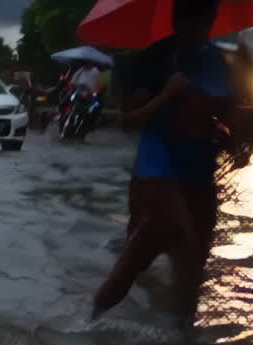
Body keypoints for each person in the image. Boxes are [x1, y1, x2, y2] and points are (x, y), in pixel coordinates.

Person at [92, 0, 244, 325]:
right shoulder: (151, 60)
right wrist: (166, 96)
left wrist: (234, 143)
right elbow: (128, 122)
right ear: (183, 20)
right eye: (201, 21)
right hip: (157, 170)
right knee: (186, 251)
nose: (204, 29)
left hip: (200, 172)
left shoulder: (216, 59)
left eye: (210, 21)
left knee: (179, 259)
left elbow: (221, 116)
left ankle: (101, 322)